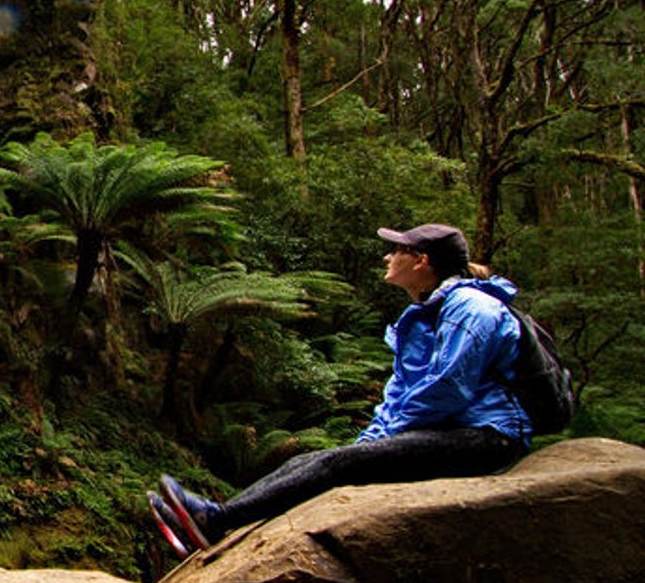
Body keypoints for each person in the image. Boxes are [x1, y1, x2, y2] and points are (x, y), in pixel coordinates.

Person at [148, 222, 531, 557]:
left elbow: (447, 389)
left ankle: (216, 521)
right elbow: (399, 394)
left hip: (486, 437)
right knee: (316, 461)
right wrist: (371, 442)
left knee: (338, 464)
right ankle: (210, 518)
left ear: (422, 261)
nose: (386, 257)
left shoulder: (472, 308)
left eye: (397, 250)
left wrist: (382, 444)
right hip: (447, 431)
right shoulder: (422, 313)